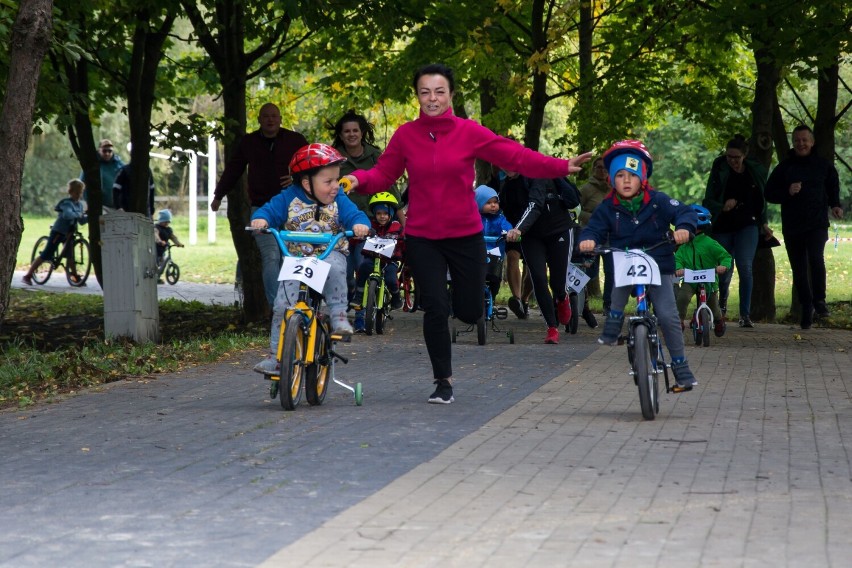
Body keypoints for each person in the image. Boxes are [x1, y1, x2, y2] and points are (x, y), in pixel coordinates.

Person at [343, 63, 592, 404]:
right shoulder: (406, 135)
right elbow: (383, 174)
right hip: (424, 237)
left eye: (439, 91)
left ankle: (467, 312)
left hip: (464, 235)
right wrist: (358, 180)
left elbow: (515, 156)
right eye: (425, 92)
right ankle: (442, 382)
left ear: (451, 95)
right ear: (417, 96)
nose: (432, 98)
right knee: (434, 307)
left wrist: (561, 166)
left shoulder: (469, 132)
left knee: (470, 310)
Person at [578, 140, 699, 390]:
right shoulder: (607, 207)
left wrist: (684, 228)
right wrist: (588, 239)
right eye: (619, 175)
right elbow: (593, 228)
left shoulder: (657, 201)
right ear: (611, 180)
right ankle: (613, 322)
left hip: (659, 261)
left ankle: (680, 366)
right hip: (624, 259)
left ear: (642, 177)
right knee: (618, 288)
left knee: (668, 314)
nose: (626, 180)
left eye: (632, 175)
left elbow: (684, 212)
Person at [249, 143, 370, 375]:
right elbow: (268, 211)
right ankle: (276, 357)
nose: (336, 186)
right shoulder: (288, 198)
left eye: (337, 180)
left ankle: (339, 316)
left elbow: (354, 214)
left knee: (336, 267)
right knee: (282, 305)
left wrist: (359, 224)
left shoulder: (339, 199)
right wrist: (261, 220)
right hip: (297, 258)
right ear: (306, 183)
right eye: (329, 182)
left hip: (329, 253)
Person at [211, 102, 309, 307]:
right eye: (266, 116)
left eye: (274, 116)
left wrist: (297, 178)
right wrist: (219, 195)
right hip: (262, 209)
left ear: (281, 119)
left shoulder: (295, 140)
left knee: (290, 257)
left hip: (294, 208)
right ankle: (278, 307)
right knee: (271, 256)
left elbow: (311, 166)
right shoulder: (249, 142)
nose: (270, 119)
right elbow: (234, 169)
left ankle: (295, 303)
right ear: (259, 120)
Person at [764, 125, 844, 330]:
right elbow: (769, 193)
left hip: (817, 223)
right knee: (798, 267)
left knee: (816, 258)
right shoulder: (785, 167)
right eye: (797, 140)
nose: (801, 144)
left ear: (812, 142)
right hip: (793, 225)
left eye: (804, 140)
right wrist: (788, 191)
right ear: (793, 143)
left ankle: (820, 300)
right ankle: (806, 306)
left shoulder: (823, 165)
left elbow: (832, 186)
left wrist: (835, 205)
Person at [330, 109, 405, 307]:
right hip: (341, 222)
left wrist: (404, 226)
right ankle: (350, 295)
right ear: (340, 135)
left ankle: (365, 306)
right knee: (344, 271)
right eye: (347, 131)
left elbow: (392, 191)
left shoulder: (375, 155)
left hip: (371, 223)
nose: (351, 134)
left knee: (363, 264)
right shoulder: (333, 157)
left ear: (362, 132)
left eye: (355, 130)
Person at [702, 134, 773, 328]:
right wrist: (721, 206)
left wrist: (763, 223)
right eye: (729, 157)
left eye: (736, 157)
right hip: (723, 226)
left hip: (748, 225)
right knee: (724, 270)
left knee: (745, 267)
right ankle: (721, 306)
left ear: (745, 155)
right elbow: (708, 199)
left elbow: (761, 200)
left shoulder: (753, 172)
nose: (732, 161)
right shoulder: (720, 169)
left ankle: (745, 314)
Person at [506, 176, 580, 344]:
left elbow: (535, 205)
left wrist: (518, 228)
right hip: (531, 236)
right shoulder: (508, 186)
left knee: (557, 281)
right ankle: (552, 328)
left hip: (558, 230)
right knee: (538, 278)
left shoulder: (536, 174)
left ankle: (562, 297)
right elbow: (505, 211)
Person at [675, 205, 732, 336]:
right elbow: (678, 259)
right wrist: (678, 268)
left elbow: (725, 256)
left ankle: (718, 320)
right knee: (682, 298)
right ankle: (678, 320)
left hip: (709, 281)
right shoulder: (684, 246)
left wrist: (724, 265)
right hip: (690, 280)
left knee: (713, 305)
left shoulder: (709, 243)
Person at [353, 192, 405, 333]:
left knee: (390, 277)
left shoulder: (396, 227)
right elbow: (362, 236)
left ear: (391, 214)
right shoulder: (371, 225)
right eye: (379, 213)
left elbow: (403, 239)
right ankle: (359, 295)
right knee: (363, 267)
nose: (382, 216)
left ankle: (395, 296)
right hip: (372, 258)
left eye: (385, 213)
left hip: (389, 261)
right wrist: (362, 235)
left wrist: (403, 240)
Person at [21, 179, 89, 285]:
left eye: (80, 193)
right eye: (76, 193)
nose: (78, 195)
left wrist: (89, 217)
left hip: (70, 233)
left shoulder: (79, 205)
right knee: (46, 254)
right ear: (70, 192)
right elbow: (67, 215)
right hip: (59, 232)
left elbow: (81, 221)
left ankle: (74, 275)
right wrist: (79, 214)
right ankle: (28, 275)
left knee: (70, 256)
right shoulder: (66, 203)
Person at [579, 156, 613, 318]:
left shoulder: (613, 188)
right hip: (591, 235)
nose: (602, 170)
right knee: (588, 271)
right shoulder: (586, 189)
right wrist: (594, 218)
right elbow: (576, 210)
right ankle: (580, 302)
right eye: (599, 167)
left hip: (610, 236)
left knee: (611, 271)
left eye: (605, 168)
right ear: (593, 169)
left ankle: (609, 305)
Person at [498, 168, 535, 319]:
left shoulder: (529, 179)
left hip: (531, 226)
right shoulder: (504, 182)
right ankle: (517, 299)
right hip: (511, 226)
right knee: (512, 257)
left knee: (532, 267)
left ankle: (525, 298)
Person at [475, 185, 513, 300]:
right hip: (477, 252)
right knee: (474, 276)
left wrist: (509, 233)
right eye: (488, 203)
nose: (493, 205)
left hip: (495, 254)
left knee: (495, 277)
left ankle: (492, 296)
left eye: (495, 202)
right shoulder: (474, 218)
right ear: (478, 203)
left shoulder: (500, 218)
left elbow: (507, 227)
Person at [81, 139, 125, 212]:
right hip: (101, 206)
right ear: (99, 150)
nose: (107, 153)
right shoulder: (92, 165)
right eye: (104, 151)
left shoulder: (120, 165)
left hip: (119, 207)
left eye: (110, 151)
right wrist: (88, 202)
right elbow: (83, 185)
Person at [154, 209, 184, 277]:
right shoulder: (156, 228)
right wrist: (160, 241)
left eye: (168, 222)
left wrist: (178, 243)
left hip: (163, 249)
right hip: (156, 248)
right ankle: (155, 276)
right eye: (165, 222)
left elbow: (173, 237)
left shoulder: (168, 229)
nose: (167, 223)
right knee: (156, 263)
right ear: (161, 220)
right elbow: (156, 235)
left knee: (162, 262)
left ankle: (158, 276)